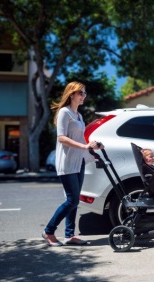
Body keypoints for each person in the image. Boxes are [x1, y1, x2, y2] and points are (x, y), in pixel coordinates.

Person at [42, 81, 103, 247]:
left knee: (74, 200)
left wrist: (92, 147)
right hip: (67, 162)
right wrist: (84, 146)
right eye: (81, 93)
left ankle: (69, 235)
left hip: (79, 162)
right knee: (72, 200)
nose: (84, 96)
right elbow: (61, 138)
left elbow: (80, 138)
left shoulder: (79, 115)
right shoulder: (64, 112)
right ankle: (48, 230)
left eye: (84, 93)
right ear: (72, 94)